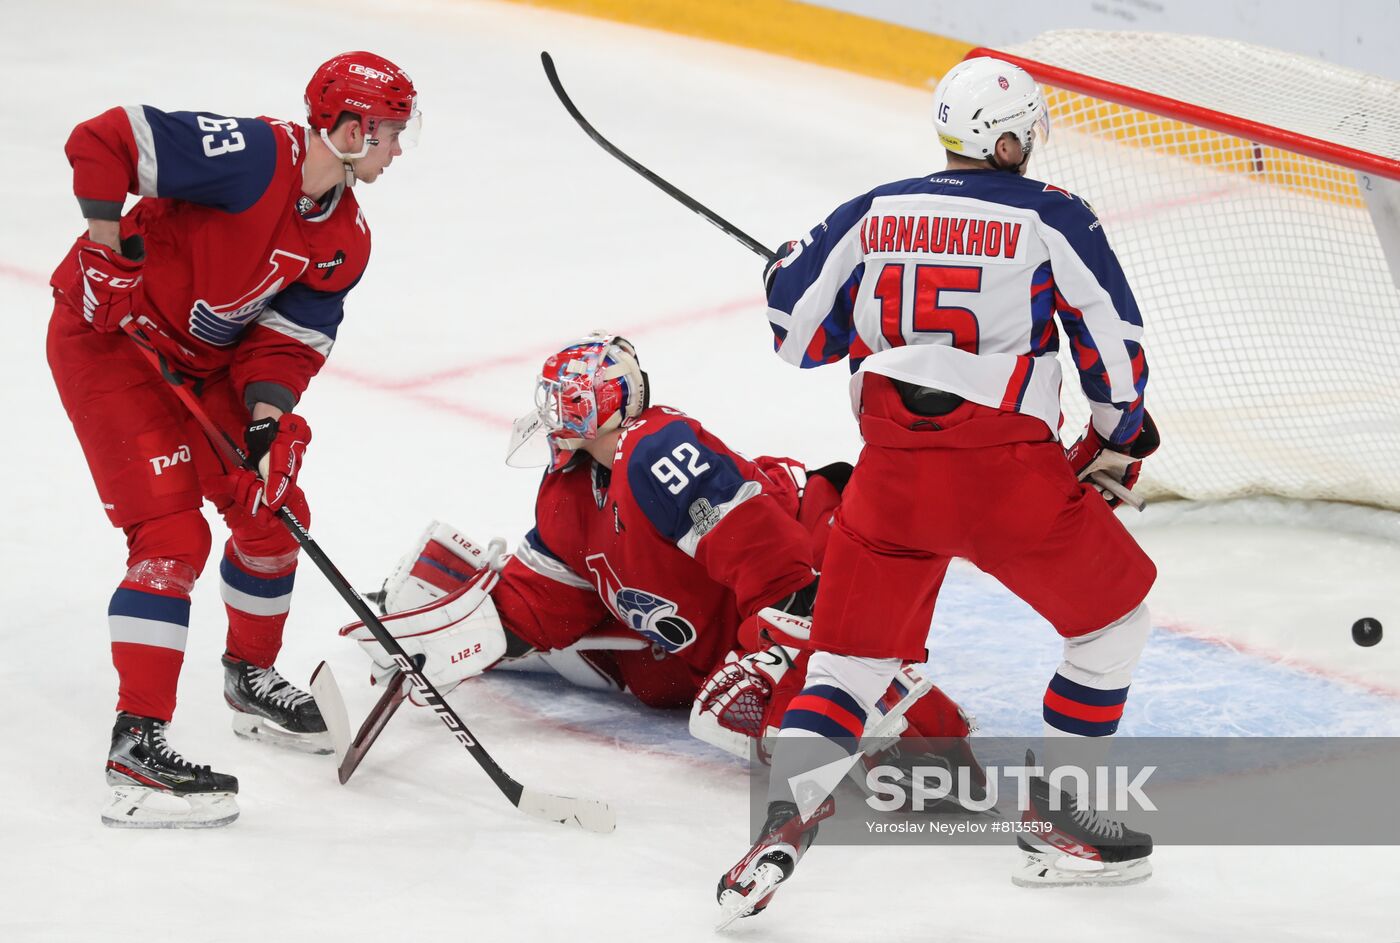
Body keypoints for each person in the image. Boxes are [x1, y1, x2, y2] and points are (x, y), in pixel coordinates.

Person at [716, 55, 1161, 925]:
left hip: (890, 478)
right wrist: (1121, 431)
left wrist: (780, 275)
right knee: (1112, 626)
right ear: (1007, 141)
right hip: (1005, 477)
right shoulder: (1051, 213)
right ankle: (1062, 820)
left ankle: (782, 821)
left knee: (847, 665)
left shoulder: (874, 210)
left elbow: (797, 335)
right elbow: (1111, 344)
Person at [46, 52, 421, 828]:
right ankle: (136, 748)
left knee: (272, 512)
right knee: (170, 537)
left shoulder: (345, 237)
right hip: (111, 343)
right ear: (351, 129)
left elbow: (289, 340)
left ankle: (249, 679)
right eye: (389, 133)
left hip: (198, 362)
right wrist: (104, 246)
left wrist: (266, 421)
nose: (396, 149)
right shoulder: (251, 157)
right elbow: (104, 138)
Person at [339, 332, 976, 769]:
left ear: (605, 403)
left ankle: (917, 726)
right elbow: (545, 602)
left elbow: (777, 567)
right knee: (642, 675)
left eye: (569, 400)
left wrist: (768, 657)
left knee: (758, 712)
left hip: (819, 570)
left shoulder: (658, 450)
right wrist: (449, 637)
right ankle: (439, 586)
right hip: (712, 629)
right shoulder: (569, 488)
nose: (554, 414)